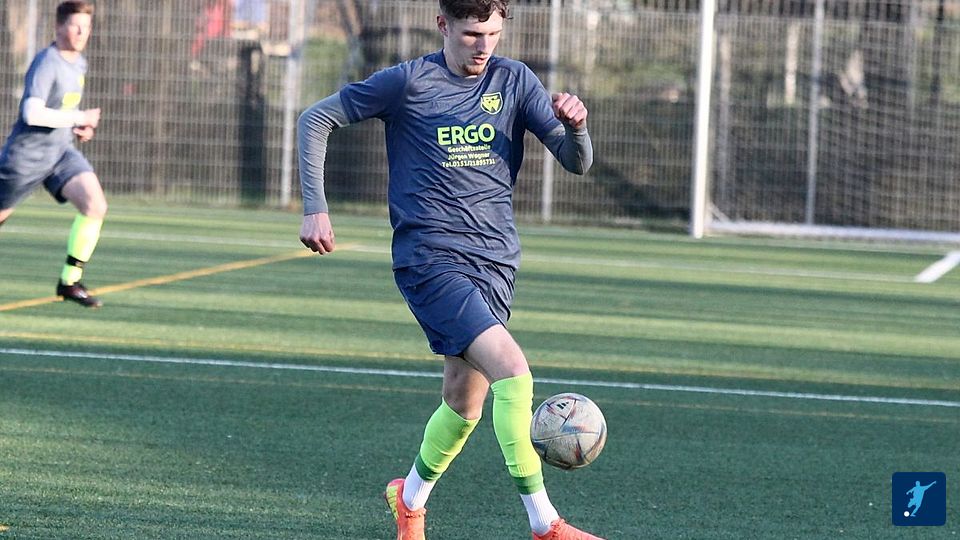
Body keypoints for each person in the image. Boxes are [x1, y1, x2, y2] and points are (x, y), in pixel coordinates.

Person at [297, 1, 600, 538]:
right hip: (430, 259)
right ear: (444, 25)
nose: (483, 47)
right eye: (471, 34)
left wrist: (576, 128)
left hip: (496, 261)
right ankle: (546, 524)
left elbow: (577, 162)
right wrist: (315, 206)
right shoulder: (407, 82)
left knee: (464, 403)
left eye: (493, 34)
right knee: (513, 371)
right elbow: (315, 119)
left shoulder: (515, 81)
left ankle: (409, 500)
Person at [0, 1, 105, 308]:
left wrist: (78, 127)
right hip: (26, 157)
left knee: (95, 204)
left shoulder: (79, 63)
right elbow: (32, 113)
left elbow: (61, 110)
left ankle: (70, 281)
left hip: (60, 153)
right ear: (59, 26)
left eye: (86, 26)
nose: (82, 32)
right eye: (75, 25)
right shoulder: (47, 62)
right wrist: (78, 117)